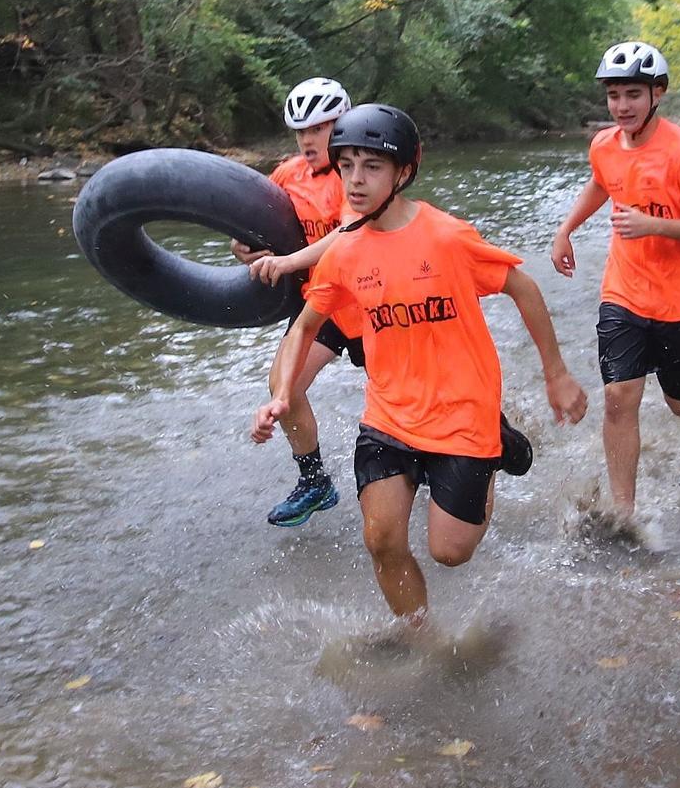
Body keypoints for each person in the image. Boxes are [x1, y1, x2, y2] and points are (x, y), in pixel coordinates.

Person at [253, 104, 589, 623]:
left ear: (404, 171)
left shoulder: (447, 237)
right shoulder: (343, 252)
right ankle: (420, 637)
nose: (355, 180)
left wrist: (557, 374)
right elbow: (305, 325)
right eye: (346, 166)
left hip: (462, 412)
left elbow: (522, 288)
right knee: (381, 539)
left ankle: (495, 443)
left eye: (372, 167)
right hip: (390, 415)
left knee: (450, 552)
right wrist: (281, 395)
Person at [550, 42, 680, 520]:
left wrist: (654, 225)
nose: (622, 106)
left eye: (633, 94)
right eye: (614, 95)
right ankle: (624, 513)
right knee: (618, 397)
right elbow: (602, 181)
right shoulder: (604, 145)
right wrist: (566, 229)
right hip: (624, 293)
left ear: (658, 93)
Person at [226, 77, 364, 527]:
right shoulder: (288, 174)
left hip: (374, 300)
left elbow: (348, 234)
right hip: (321, 304)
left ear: (342, 124)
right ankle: (315, 481)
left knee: (416, 388)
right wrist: (244, 247)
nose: (307, 140)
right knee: (283, 384)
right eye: (301, 131)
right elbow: (253, 224)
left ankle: (481, 429)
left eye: (318, 128)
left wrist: (286, 262)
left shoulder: (360, 173)